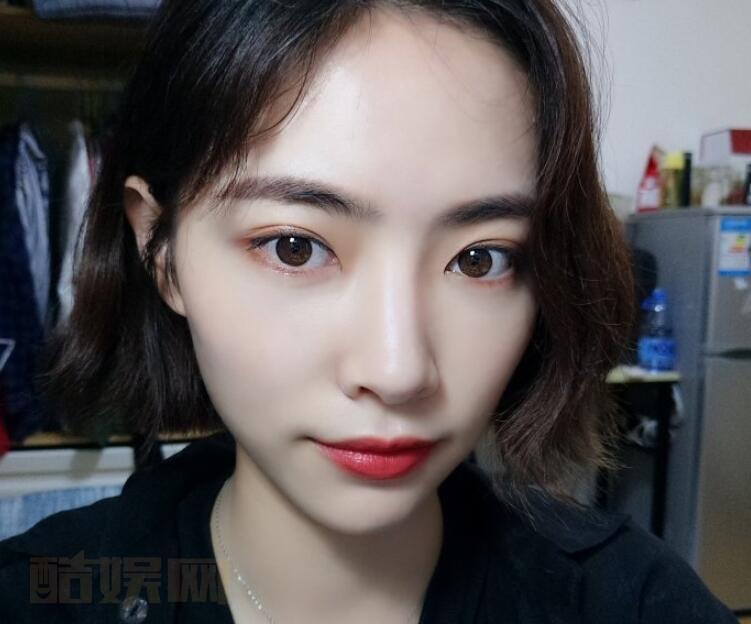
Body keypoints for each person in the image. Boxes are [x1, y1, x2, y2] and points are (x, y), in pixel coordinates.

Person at [0, 1, 738, 622]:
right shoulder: (44, 595)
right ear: (160, 251)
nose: (397, 370)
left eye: (480, 259)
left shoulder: (633, 604)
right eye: (294, 247)